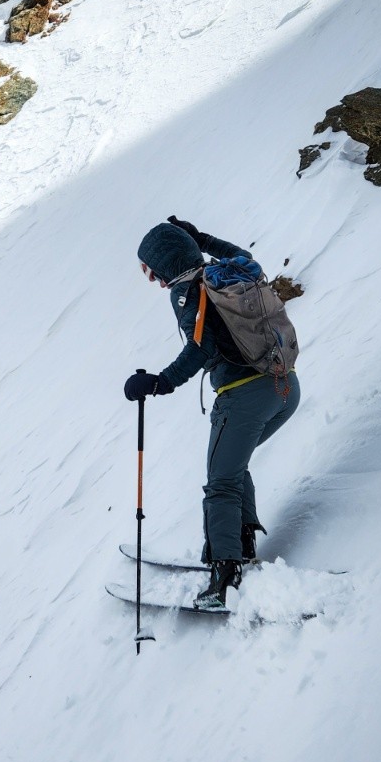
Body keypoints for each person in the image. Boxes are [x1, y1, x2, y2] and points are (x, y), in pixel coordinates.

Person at [124, 217, 300, 610]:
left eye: (150, 270)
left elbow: (200, 349)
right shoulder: (227, 272)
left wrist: (159, 382)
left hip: (244, 396)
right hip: (285, 387)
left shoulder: (188, 292)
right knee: (232, 468)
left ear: (165, 264)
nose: (152, 280)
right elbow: (245, 254)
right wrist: (199, 238)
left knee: (220, 482)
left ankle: (225, 575)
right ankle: (242, 544)